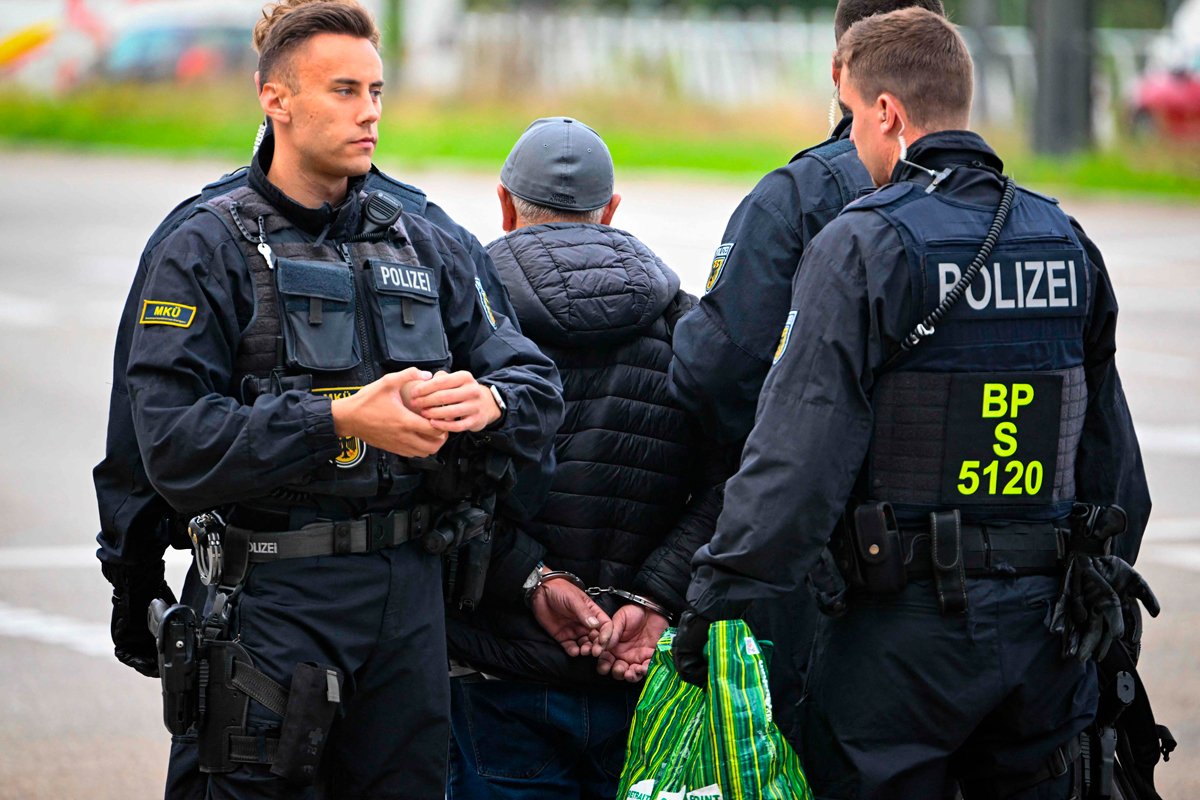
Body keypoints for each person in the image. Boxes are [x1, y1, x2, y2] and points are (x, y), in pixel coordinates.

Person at [673, 8, 1154, 799]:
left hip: (902, 637)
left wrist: (722, 599)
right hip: (1046, 636)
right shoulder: (1064, 239)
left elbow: (796, 462)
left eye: (857, 118)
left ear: (887, 113)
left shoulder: (863, 243)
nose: (855, 142)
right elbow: (1110, 462)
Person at [92, 2, 540, 797]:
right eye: (343, 90)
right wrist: (338, 419)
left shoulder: (427, 237)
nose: (369, 112)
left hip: (409, 595)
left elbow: (535, 382)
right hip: (270, 594)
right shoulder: (203, 245)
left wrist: (491, 403)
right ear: (276, 100)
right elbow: (164, 443)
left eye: (376, 90)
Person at [668, 0, 950, 746]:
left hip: (822, 564)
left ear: (841, 69)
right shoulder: (1002, 213)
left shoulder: (799, 195)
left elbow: (716, 370)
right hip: (989, 594)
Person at [443, 117, 725, 800]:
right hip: (640, 679)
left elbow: (435, 482)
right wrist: (658, 595)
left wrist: (531, 580)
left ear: (505, 206)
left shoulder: (463, 327)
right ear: (612, 211)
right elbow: (737, 482)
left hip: (497, 679)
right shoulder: (687, 326)